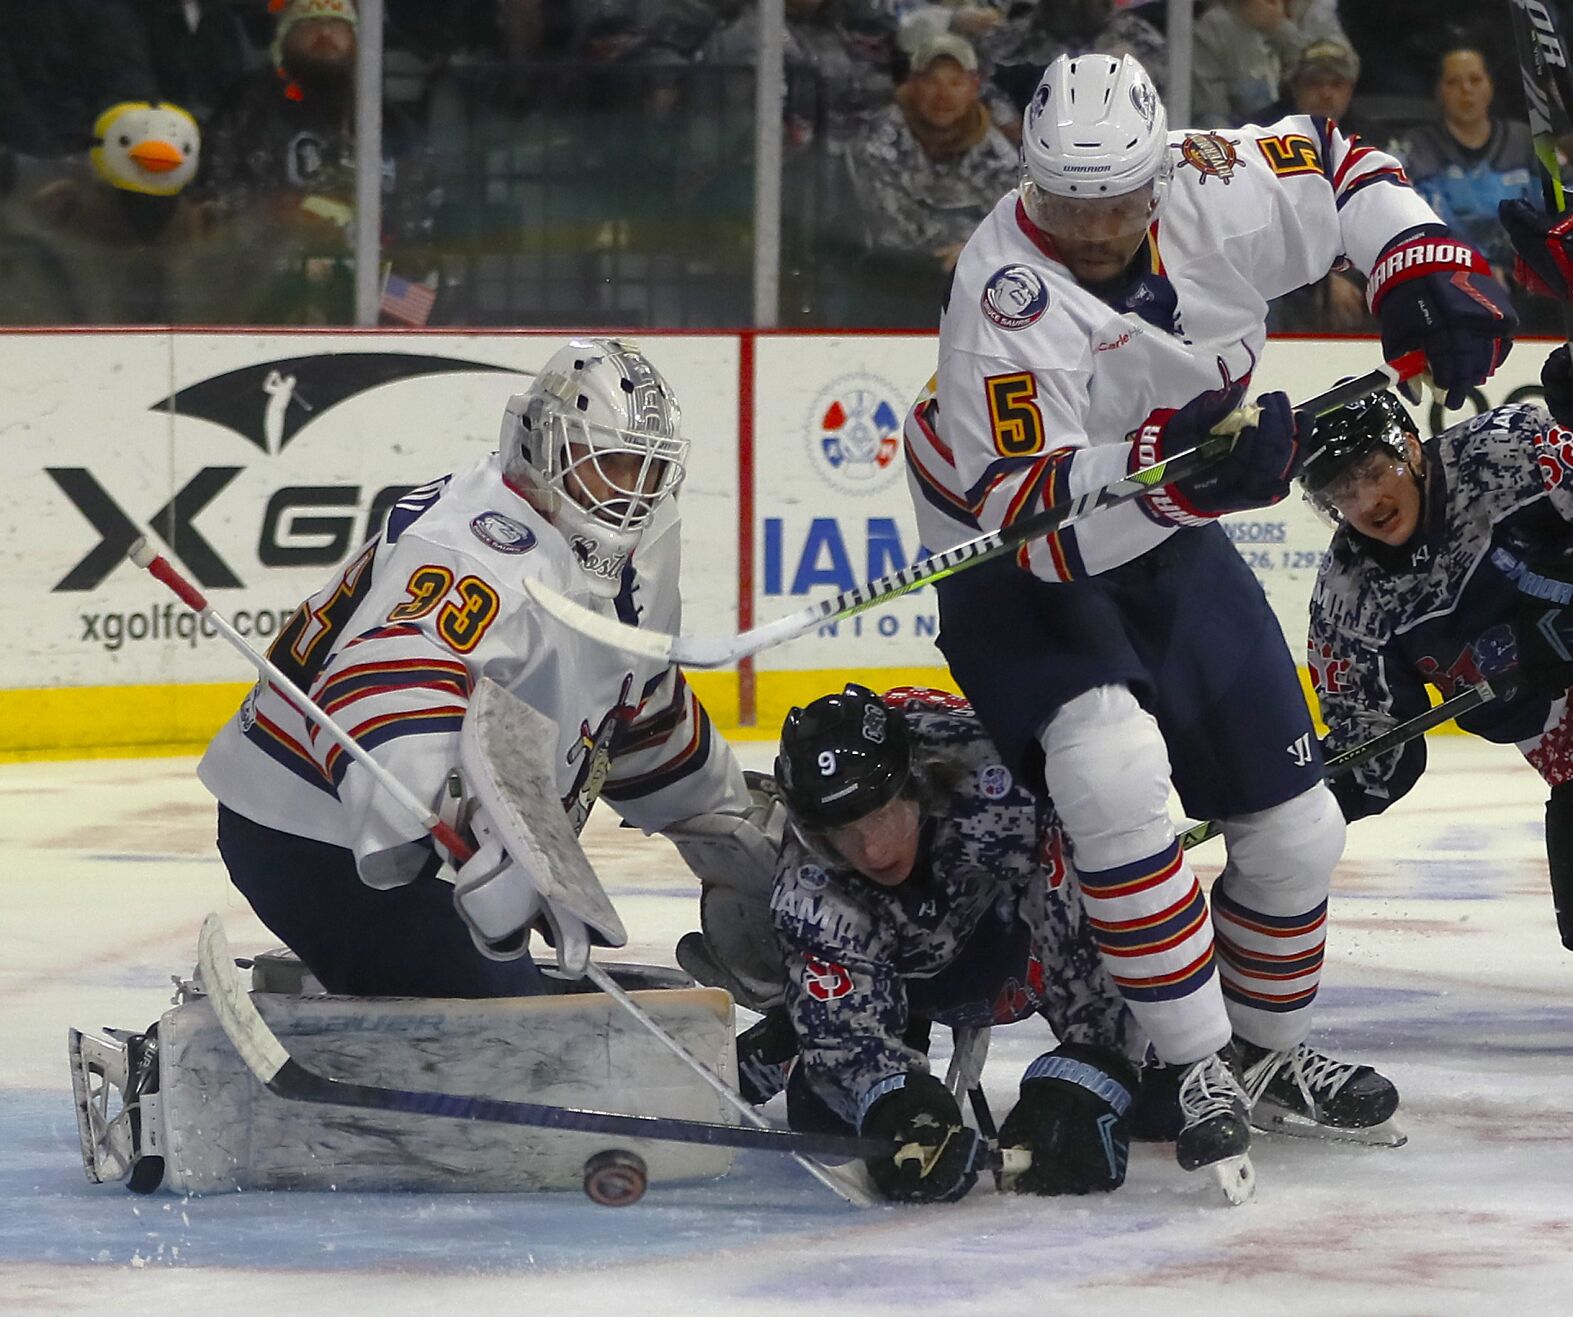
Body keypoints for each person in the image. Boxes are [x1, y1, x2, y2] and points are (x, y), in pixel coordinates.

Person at [903, 52, 1513, 1180]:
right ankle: (1189, 1066)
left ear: (1157, 171)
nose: (1090, 229)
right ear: (1026, 179)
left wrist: (1415, 254)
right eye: (1062, 201)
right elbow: (1035, 530)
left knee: (1297, 829)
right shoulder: (1001, 297)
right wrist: (1180, 477)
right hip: (1007, 543)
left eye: (1115, 201)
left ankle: (1263, 1053)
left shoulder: (1211, 182)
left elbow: (1336, 164)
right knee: (1110, 769)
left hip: (1167, 516)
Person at [197, 338, 769, 997]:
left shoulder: (642, 548)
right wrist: (483, 829)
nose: (627, 492)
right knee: (509, 1031)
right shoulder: (479, 544)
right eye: (605, 462)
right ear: (539, 444)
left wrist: (725, 819)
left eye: (644, 468)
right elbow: (381, 683)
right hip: (310, 834)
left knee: (514, 1003)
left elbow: (629, 701)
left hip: (427, 846)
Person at [1305, 200, 1573, 952]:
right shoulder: (1348, 603)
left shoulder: (1502, 454)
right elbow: (1378, 749)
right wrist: (1314, 788)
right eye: (1340, 490)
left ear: (1411, 450)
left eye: (1371, 470)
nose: (1364, 499)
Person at [767, 683, 1146, 1204]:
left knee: (1155, 1103)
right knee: (823, 1113)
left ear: (915, 781)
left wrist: (1094, 1069)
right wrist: (894, 1101)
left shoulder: (1006, 782)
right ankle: (807, 1017)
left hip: (1010, 935)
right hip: (899, 965)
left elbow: (1097, 928)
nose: (872, 850)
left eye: (880, 815)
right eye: (844, 833)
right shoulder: (808, 885)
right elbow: (843, 1044)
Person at [843, 33, 1019, 302]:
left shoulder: (998, 152)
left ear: (974, 87)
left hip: (977, 287)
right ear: (912, 84)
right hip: (888, 282)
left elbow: (1015, 225)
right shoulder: (876, 140)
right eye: (931, 81)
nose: (943, 95)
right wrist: (977, 246)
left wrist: (977, 252)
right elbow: (893, 229)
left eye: (955, 82)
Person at [1398, 42, 1535, 283]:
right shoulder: (1415, 148)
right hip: (1447, 279)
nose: (1466, 90)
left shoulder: (1527, 141)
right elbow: (1412, 226)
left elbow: (1562, 201)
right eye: (1453, 82)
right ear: (1439, 92)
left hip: (1529, 279)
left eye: (1475, 80)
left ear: (1490, 86)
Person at [1192, 0, 1351, 127]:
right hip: (1245, 147)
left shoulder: (1315, 11)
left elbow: (1346, 68)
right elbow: (1211, 118)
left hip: (1312, 137)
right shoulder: (1214, 27)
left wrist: (1280, 30)